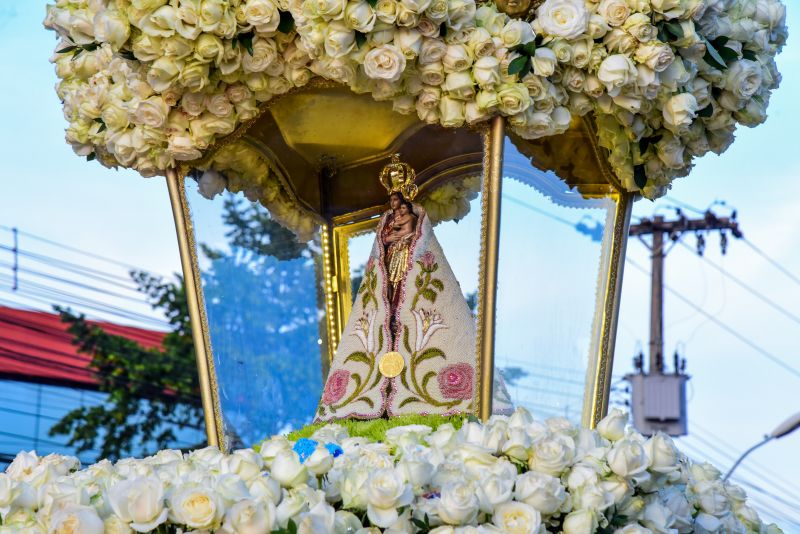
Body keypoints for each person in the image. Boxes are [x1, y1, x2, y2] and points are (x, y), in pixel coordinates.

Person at [315, 156, 512, 422]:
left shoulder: (408, 217)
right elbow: (387, 237)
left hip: (407, 259)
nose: (395, 207)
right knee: (390, 295)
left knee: (410, 297)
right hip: (392, 259)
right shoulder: (391, 219)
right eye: (392, 202)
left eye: (398, 201)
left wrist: (396, 238)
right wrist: (388, 239)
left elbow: (400, 234)